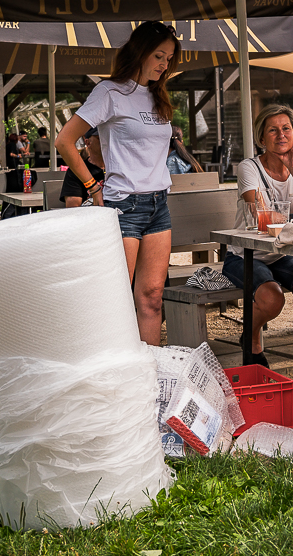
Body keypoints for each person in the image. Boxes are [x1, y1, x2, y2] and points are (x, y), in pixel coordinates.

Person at [54, 20, 181, 345]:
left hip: (159, 204)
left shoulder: (157, 96)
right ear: (139, 52)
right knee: (115, 300)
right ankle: (111, 366)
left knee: (153, 298)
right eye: (159, 56)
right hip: (124, 204)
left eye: (169, 58)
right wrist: (92, 186)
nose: (164, 64)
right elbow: (64, 141)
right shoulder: (109, 92)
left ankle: (148, 367)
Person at [221, 104, 293, 400]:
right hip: (245, 253)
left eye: (286, 129)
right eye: (273, 130)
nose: (281, 135)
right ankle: (251, 335)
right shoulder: (249, 167)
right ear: (261, 138)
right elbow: (261, 215)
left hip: (282, 252)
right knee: (272, 299)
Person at [60, 127, 106, 207]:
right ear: (88, 143)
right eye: (99, 138)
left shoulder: (120, 168)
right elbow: (73, 209)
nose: (106, 142)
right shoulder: (76, 171)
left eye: (108, 138)